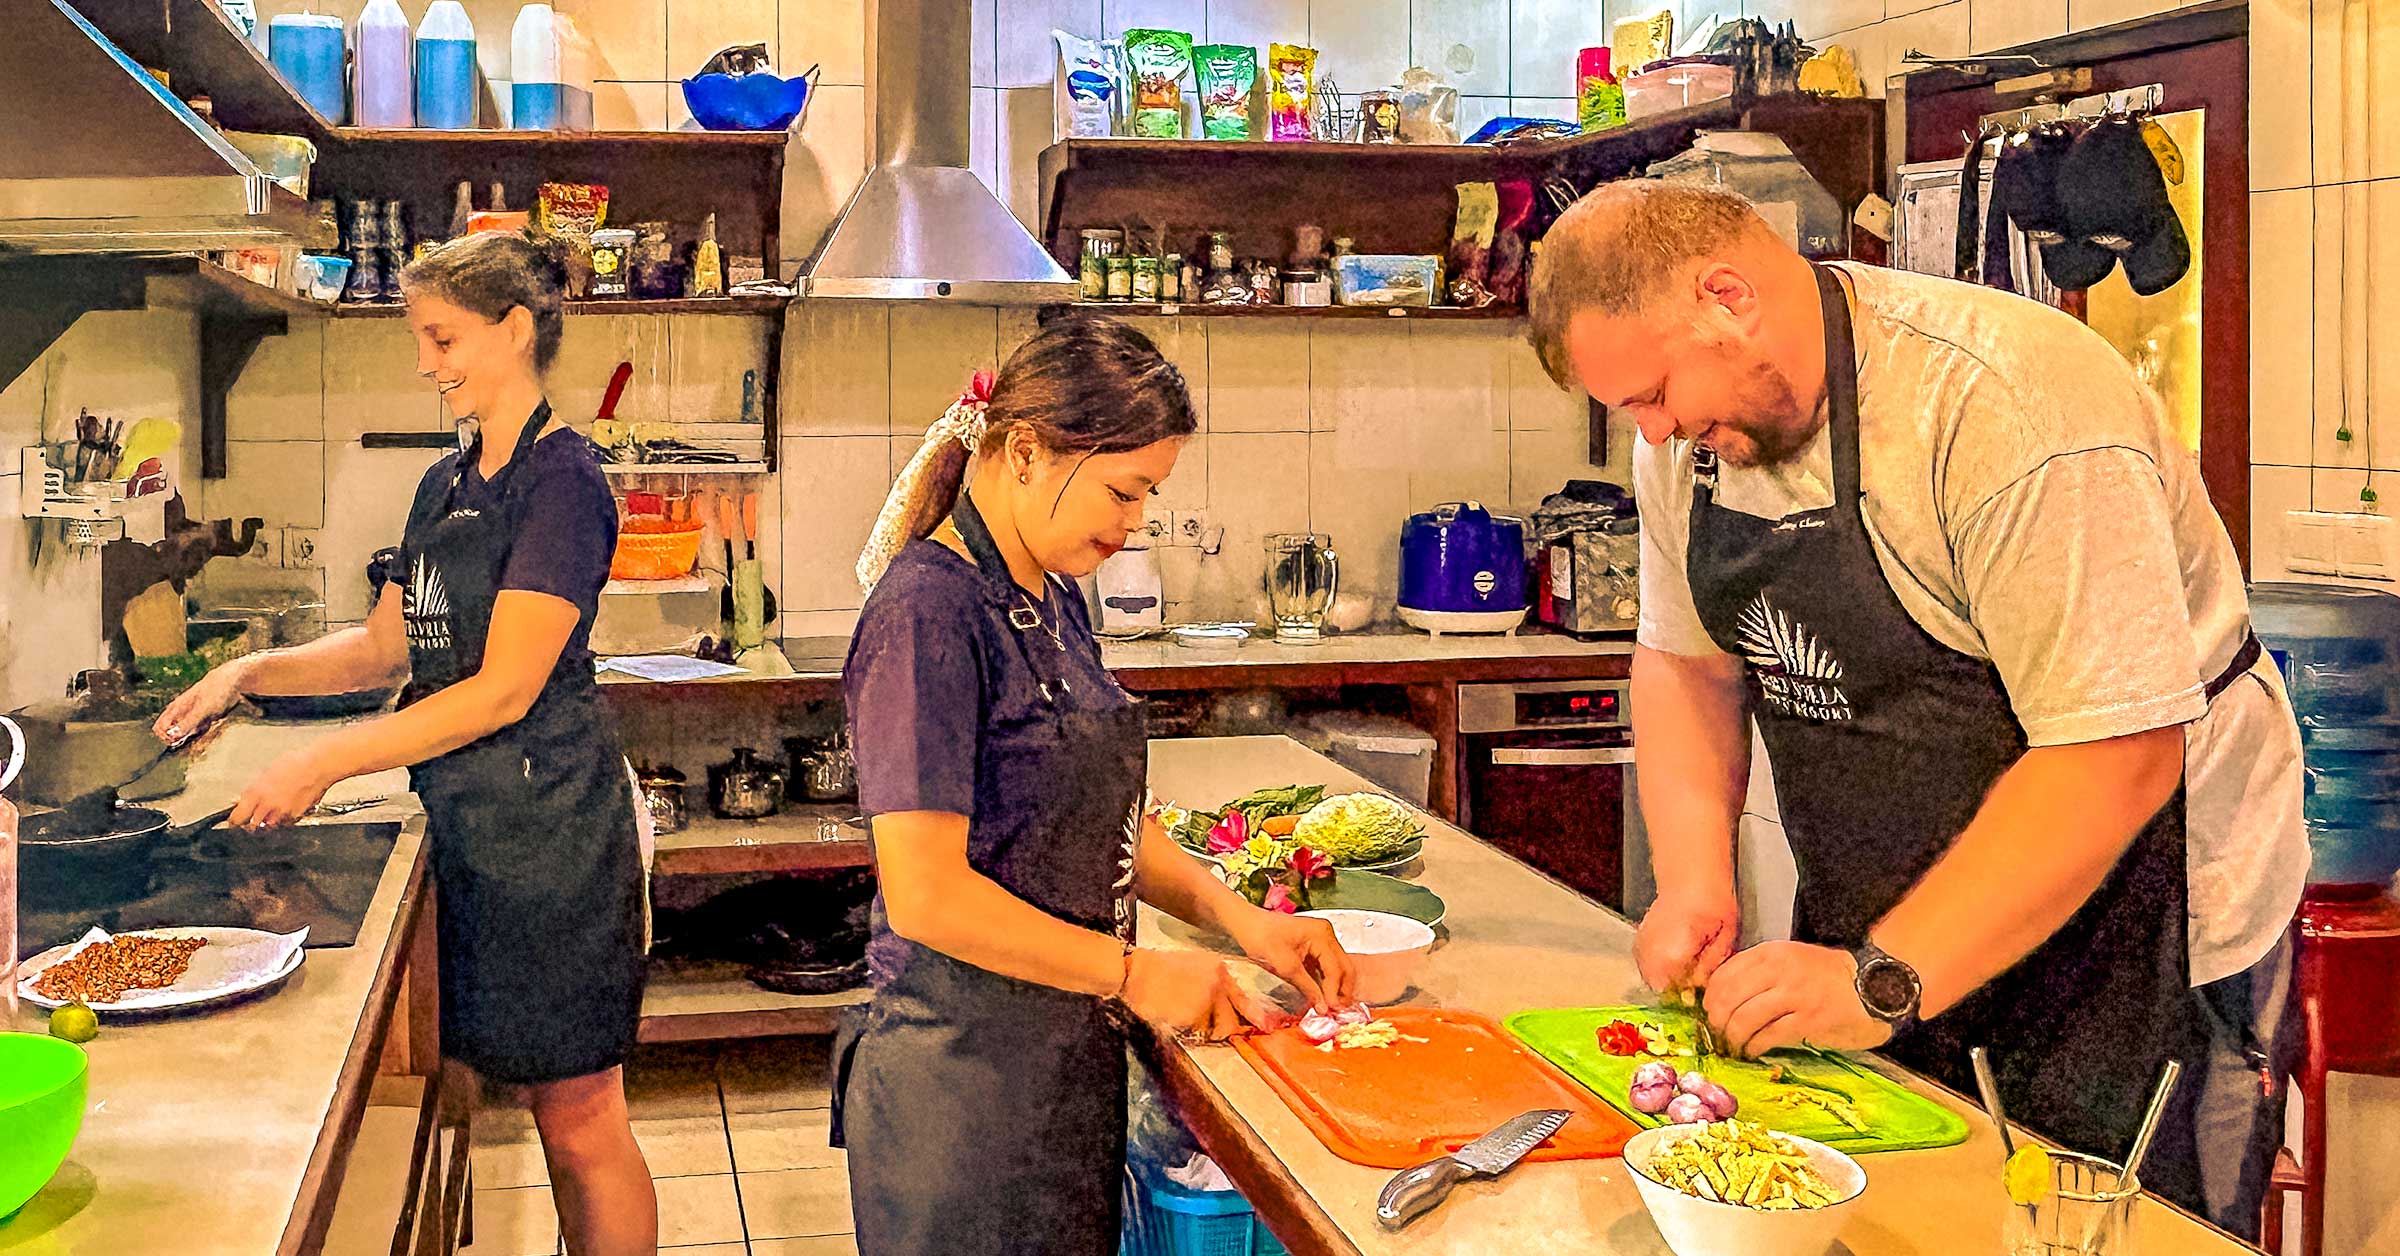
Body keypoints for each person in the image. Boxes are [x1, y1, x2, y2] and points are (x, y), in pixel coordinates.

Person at [1527, 183, 2304, 1236]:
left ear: (1729, 295)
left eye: (1657, 393)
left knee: (2121, 1228)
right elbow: (1686, 665)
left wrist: (1888, 973)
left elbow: (2116, 752)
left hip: (2142, 929)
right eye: (1635, 412)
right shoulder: (1689, 444)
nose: (1657, 433)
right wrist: (1697, 880)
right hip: (1894, 930)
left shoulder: (2008, 406)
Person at [155, 233, 657, 1253]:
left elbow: (505, 687)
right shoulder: (444, 482)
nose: (426, 364)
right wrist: (247, 672)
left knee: (578, 1114)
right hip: (469, 826)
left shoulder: (565, 485)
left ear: (515, 330)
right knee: (475, 1082)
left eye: (442, 338)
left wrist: (324, 761)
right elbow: (388, 645)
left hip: (552, 831)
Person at [833, 317, 1356, 1255]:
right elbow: (925, 895)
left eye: (1148, 495)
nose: (1133, 524)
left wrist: (1246, 922)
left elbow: (1102, 818)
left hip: (1064, 1059)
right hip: (960, 1088)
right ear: (1025, 450)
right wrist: (1136, 973)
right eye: (1123, 491)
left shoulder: (1055, 593)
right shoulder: (927, 613)